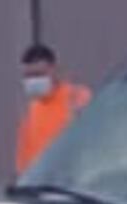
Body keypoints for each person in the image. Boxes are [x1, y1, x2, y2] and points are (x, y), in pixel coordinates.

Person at [14, 40, 92, 177]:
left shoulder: (77, 98)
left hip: (72, 182)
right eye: (28, 76)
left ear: (54, 69)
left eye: (39, 74)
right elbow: (23, 163)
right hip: (39, 186)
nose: (33, 80)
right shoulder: (30, 109)